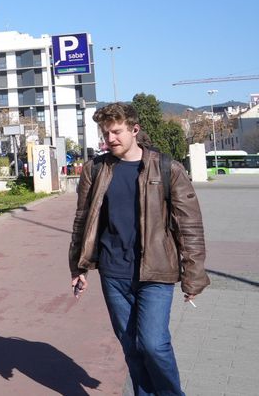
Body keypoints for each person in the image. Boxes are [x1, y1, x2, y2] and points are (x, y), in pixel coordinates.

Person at [68, 102, 209, 396]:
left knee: (153, 345)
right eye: (105, 134)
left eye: (116, 132)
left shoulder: (167, 168)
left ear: (134, 129)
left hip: (156, 272)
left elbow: (190, 226)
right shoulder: (96, 169)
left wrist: (193, 275)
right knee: (131, 347)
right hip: (113, 272)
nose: (110, 139)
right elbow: (83, 220)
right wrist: (78, 267)